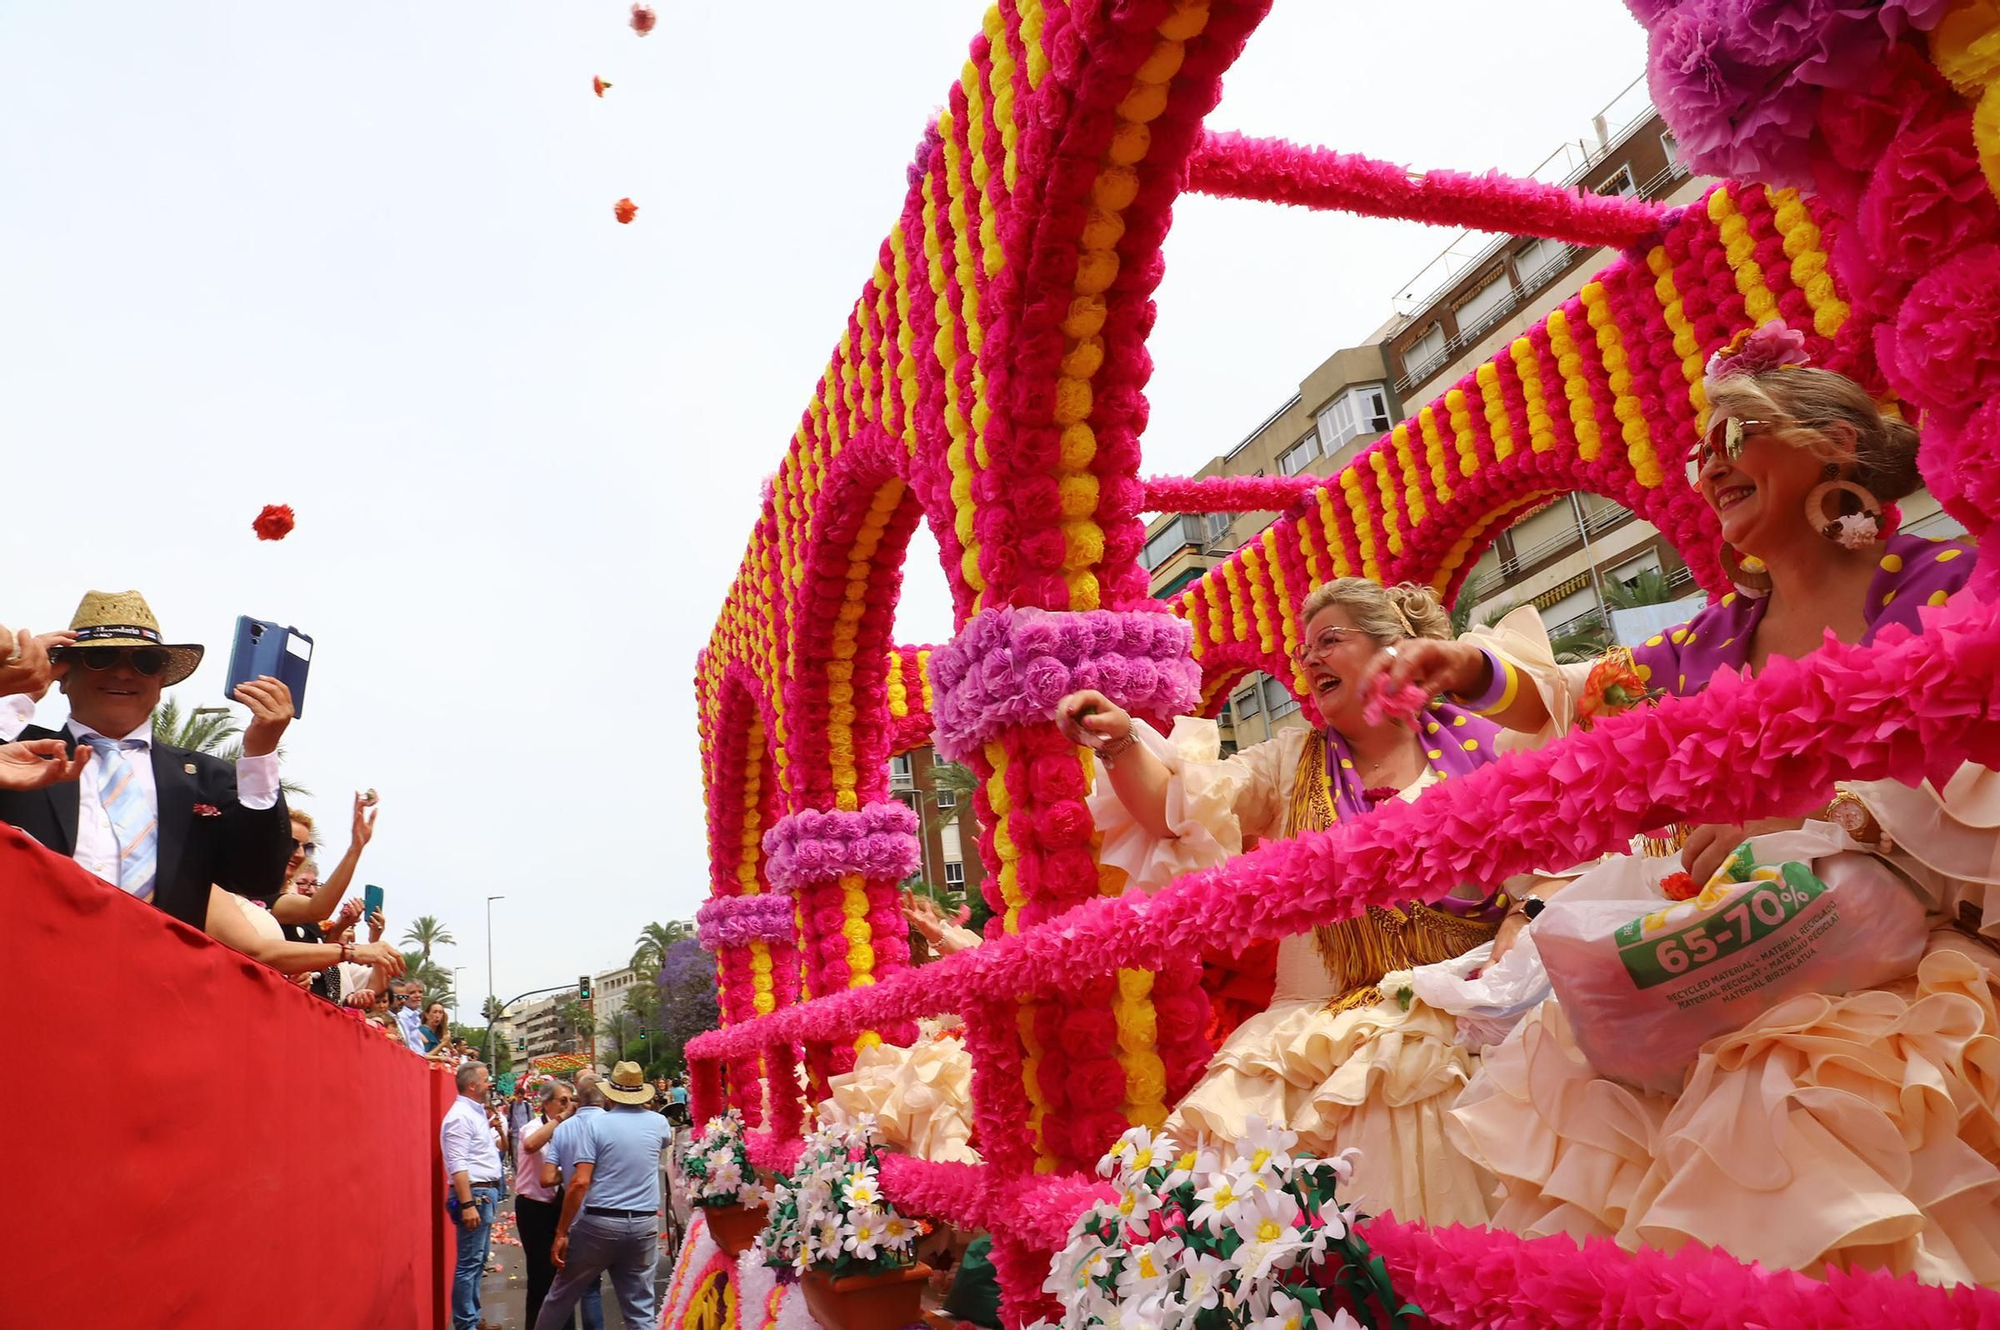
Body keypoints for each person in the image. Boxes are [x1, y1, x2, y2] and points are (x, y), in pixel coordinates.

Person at [1375, 324, 1999, 1286]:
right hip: (1747, 970)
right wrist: (1466, 665)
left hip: (1914, 983)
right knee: (1579, 1097)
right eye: (1698, 449)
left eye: (1732, 437)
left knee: (1784, 1113)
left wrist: (1819, 819)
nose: (1706, 468)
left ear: (1835, 444)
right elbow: (1586, 696)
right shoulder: (1717, 638)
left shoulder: (1950, 588)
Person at [1059, 576, 1567, 1226]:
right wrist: (1122, 738)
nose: (1310, 661)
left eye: (1331, 641)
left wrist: (1523, 923)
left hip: (1469, 1030)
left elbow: (1558, 861)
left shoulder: (1489, 743)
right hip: (1305, 1038)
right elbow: (1175, 812)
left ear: (1398, 650)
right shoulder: (1289, 760)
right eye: (1305, 652)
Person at [0, 590, 296, 929]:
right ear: (62, 675)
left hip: (156, 973)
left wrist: (261, 752)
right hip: (23, 964)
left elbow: (256, 877)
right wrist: (22, 690)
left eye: (146, 662)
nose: (124, 674)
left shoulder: (207, 778)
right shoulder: (16, 751)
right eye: (101, 658)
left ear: (160, 682)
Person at [534, 1063, 672, 1330]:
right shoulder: (659, 1123)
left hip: (600, 1224)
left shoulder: (596, 1126)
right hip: (644, 1225)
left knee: (560, 1297)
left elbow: (579, 1182)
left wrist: (562, 1232)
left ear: (610, 1094)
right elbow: (660, 1142)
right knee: (640, 1312)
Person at [442, 1061, 506, 1330]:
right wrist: (467, 1203)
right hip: (475, 1196)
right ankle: (466, 1323)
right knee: (469, 1264)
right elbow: (458, 1164)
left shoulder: (474, 1113)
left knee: (477, 1261)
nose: (489, 1084)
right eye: (485, 1079)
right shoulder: (459, 1116)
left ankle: (472, 1318)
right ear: (471, 1085)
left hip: (482, 1194)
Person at [541, 1073, 608, 1330]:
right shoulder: (612, 1124)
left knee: (588, 1289)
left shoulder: (563, 1129)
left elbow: (546, 1178)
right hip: (614, 1212)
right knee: (632, 1294)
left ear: (578, 1099)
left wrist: (569, 1172)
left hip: (577, 1216)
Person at [516, 1080, 575, 1330]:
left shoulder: (569, 1130)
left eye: (571, 1101)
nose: (568, 1106)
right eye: (563, 1101)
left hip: (557, 1204)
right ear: (546, 1104)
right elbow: (531, 1146)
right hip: (533, 1207)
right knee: (540, 1276)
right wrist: (560, 1119)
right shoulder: (531, 1128)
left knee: (565, 1274)